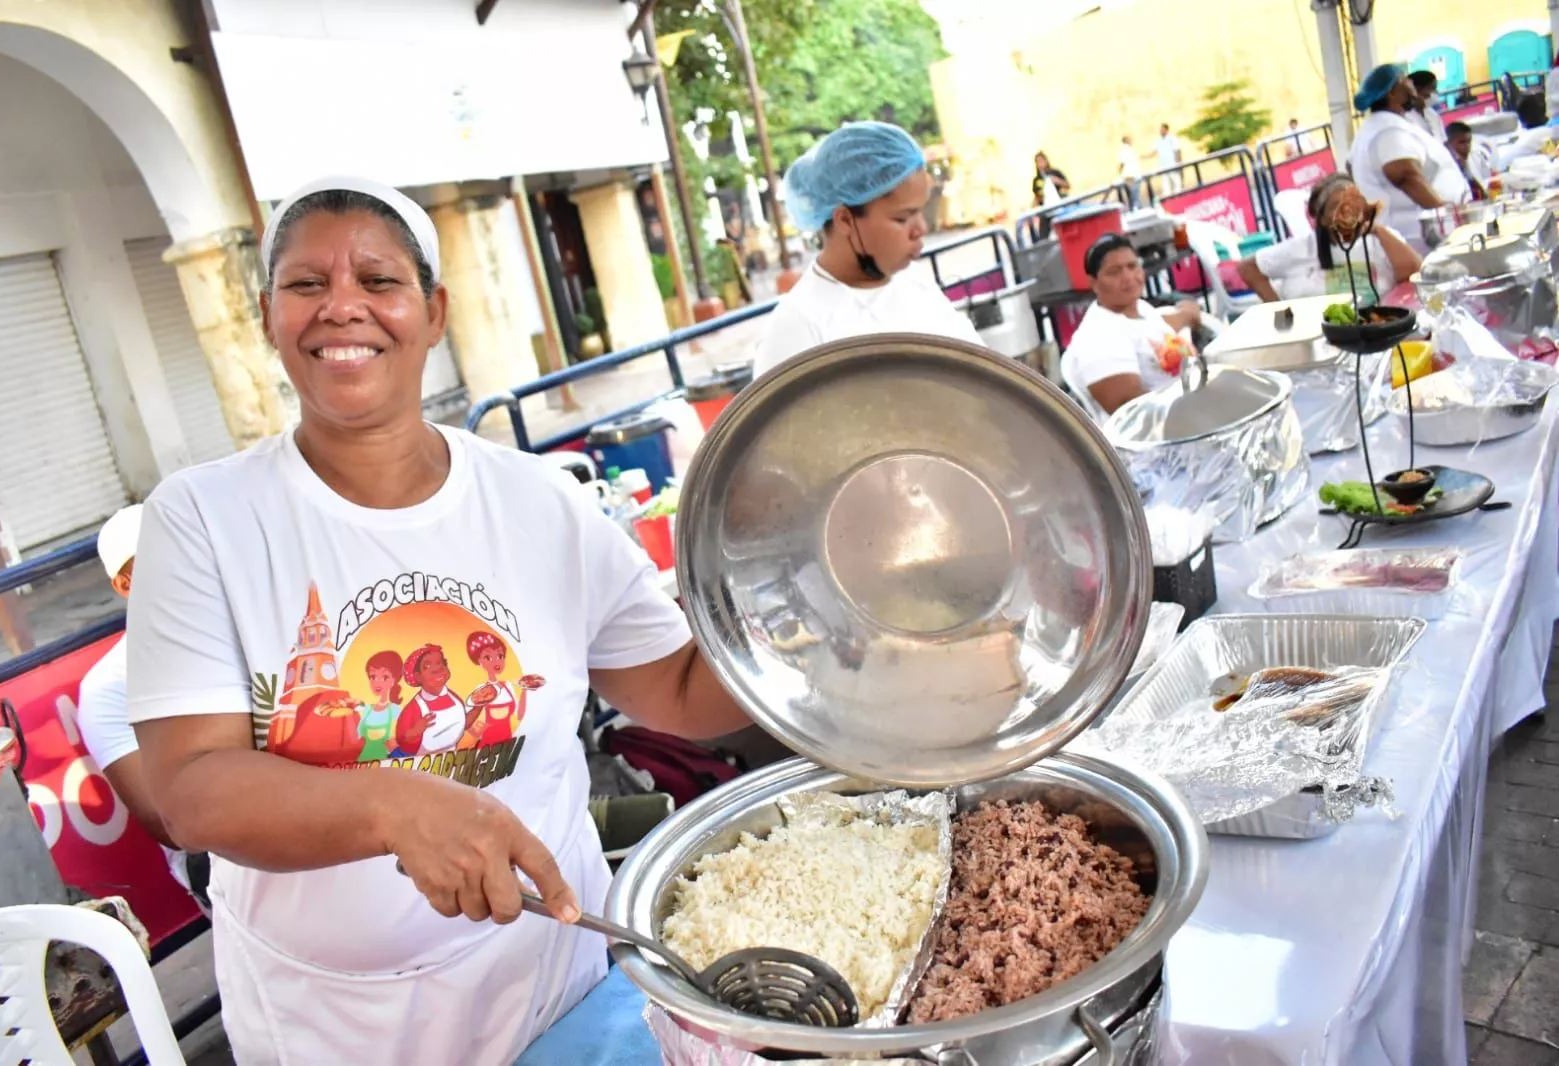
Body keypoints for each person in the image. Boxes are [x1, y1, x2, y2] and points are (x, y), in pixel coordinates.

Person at [125, 174, 755, 1065]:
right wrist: (390, 803)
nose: (342, 308)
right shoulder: (204, 519)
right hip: (337, 1026)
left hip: (558, 980)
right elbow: (192, 790)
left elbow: (679, 691)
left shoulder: (538, 501)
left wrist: (807, 631)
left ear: (433, 309)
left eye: (378, 282)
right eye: (306, 285)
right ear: (268, 315)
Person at [753, 122, 983, 377]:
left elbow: (979, 375)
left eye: (920, 211)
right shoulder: (799, 326)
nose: (920, 228)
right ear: (844, 220)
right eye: (902, 218)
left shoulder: (916, 284)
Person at [74, 504, 211, 913]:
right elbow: (171, 824)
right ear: (126, 583)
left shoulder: (250, 623)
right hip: (228, 858)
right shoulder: (109, 688)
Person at [1061, 234, 1203, 422]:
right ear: (1094, 283)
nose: (1128, 277)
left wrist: (1188, 313)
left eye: (1132, 266)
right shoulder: (1097, 337)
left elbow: (1162, 325)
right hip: (1163, 433)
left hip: (1191, 406)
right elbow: (1130, 412)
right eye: (1114, 272)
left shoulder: (1139, 309)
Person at [1238, 174, 1421, 304]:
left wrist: (1377, 230)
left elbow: (1413, 272)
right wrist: (1281, 311)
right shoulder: (1303, 247)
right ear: (1321, 217)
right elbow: (1247, 268)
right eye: (1336, 206)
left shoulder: (1382, 240)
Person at [1348, 63, 1470, 250]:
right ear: (1392, 93)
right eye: (1404, 79)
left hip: (1421, 237)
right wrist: (1449, 215)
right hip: (1420, 241)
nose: (1411, 83)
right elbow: (1407, 177)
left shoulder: (1382, 126)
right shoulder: (1388, 131)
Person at [1445, 121, 1490, 200]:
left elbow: (1483, 194)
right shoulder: (1445, 166)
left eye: (1469, 141)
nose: (1467, 146)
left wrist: (1466, 170)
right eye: (1461, 142)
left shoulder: (1477, 158)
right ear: (1448, 144)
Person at [1404, 70, 1448, 143]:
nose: (1436, 92)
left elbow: (1443, 140)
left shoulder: (1433, 115)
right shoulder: (1405, 117)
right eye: (1432, 88)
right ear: (1416, 90)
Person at [1146, 123, 1183, 196]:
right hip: (1163, 165)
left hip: (1172, 164)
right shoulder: (1158, 141)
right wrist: (1144, 156)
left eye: (1162, 129)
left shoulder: (1172, 139)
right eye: (1160, 129)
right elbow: (1153, 152)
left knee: (1177, 184)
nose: (1161, 131)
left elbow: (1177, 151)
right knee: (1166, 185)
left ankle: (1179, 197)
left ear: (1166, 130)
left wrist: (1179, 164)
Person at [1117, 134, 1142, 205]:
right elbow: (1122, 163)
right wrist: (1120, 172)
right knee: (1134, 197)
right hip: (1130, 176)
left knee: (1134, 197)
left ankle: (1136, 209)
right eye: (1130, 139)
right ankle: (1136, 210)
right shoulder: (1124, 150)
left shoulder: (1129, 149)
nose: (1131, 141)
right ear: (1126, 141)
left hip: (1133, 176)